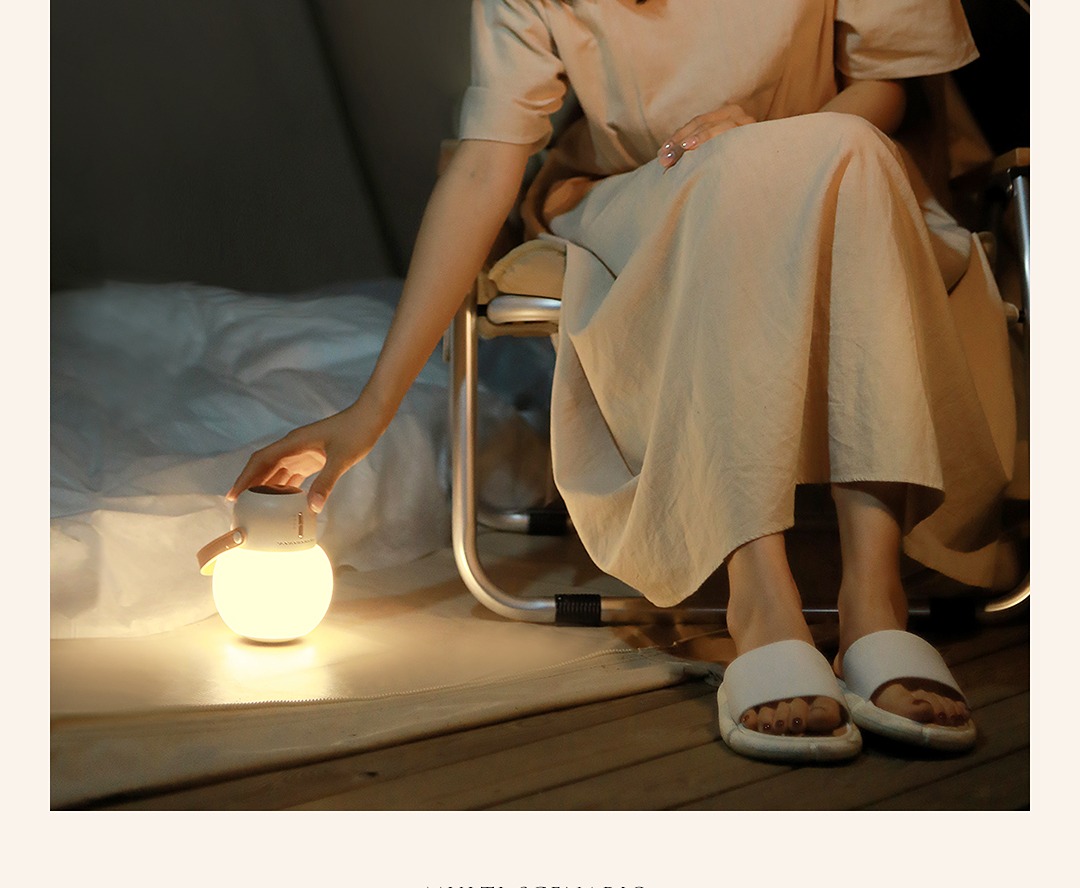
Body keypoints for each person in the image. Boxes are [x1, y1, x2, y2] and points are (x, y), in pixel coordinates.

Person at [230, 0, 1015, 762]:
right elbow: (484, 166)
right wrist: (372, 408)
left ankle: (875, 600)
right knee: (733, 173)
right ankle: (762, 601)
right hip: (650, 188)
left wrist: (771, 133)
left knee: (849, 146)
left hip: (841, 172)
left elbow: (888, 86)